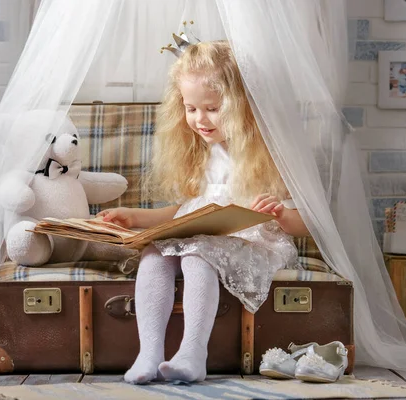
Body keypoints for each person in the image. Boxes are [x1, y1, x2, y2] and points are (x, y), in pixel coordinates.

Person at [97, 40, 310, 385]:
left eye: (212, 108)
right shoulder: (205, 153)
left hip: (258, 243)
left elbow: (308, 225)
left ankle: (193, 354)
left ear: (243, 104)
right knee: (153, 255)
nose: (199, 120)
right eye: (190, 108)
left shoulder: (272, 154)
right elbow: (187, 214)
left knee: (197, 253)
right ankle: (149, 353)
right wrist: (135, 217)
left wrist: (281, 217)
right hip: (206, 236)